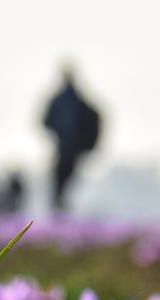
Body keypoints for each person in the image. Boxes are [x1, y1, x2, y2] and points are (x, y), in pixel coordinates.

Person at [42, 65, 101, 211]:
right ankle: (60, 209)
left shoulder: (62, 100)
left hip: (65, 150)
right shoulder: (79, 100)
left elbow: (45, 121)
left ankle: (59, 210)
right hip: (70, 150)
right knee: (63, 186)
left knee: (60, 186)